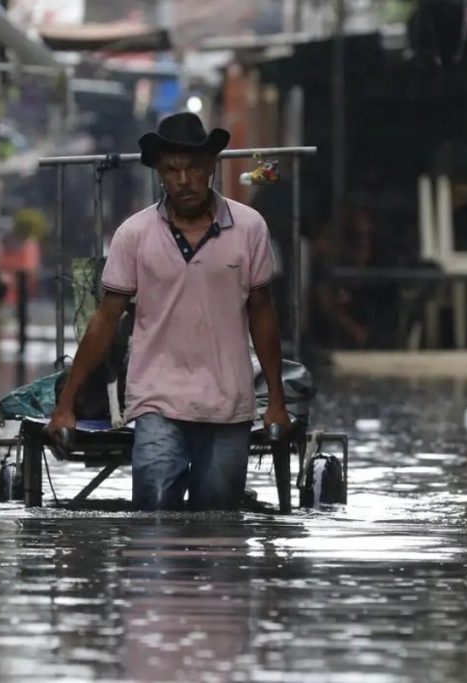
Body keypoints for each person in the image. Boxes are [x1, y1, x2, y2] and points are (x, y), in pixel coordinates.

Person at [46, 112, 290, 511]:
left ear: (211, 167)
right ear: (159, 173)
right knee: (155, 512)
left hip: (228, 401)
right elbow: (106, 319)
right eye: (172, 170)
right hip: (156, 397)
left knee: (218, 517)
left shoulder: (249, 228)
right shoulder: (135, 234)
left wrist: (276, 400)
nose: (183, 180)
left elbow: (263, 314)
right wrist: (66, 404)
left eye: (193, 169)